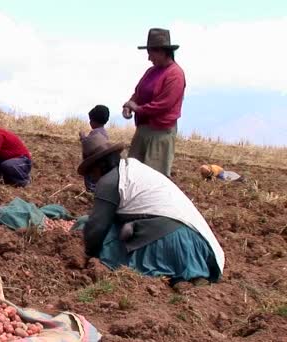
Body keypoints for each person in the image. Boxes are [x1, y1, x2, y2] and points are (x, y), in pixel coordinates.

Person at [77, 134, 224, 285]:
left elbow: (97, 226)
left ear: (100, 166)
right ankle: (189, 273)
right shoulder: (134, 169)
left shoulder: (108, 181)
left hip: (170, 239)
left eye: (91, 171)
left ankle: (177, 273)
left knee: (108, 246)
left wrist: (88, 255)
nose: (91, 177)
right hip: (196, 245)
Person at [122, 28, 186, 177]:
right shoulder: (151, 71)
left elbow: (163, 104)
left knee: (153, 177)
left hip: (160, 133)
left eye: (151, 53)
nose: (149, 58)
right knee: (133, 173)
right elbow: (138, 92)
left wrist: (137, 108)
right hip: (143, 130)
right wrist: (129, 105)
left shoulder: (175, 74)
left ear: (162, 52)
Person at [80, 105, 110, 192]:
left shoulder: (95, 134)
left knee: (91, 184)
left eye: (90, 120)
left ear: (93, 121)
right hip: (101, 165)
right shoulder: (105, 133)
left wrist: (82, 137)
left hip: (93, 164)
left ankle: (91, 191)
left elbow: (88, 145)